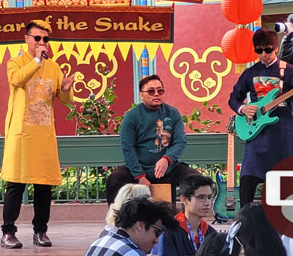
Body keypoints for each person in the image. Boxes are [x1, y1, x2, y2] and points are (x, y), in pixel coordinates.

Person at [0, 19, 75, 249]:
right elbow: (16, 80)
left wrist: (66, 89)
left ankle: (40, 231)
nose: (42, 42)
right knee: (16, 184)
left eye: (46, 39)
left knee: (44, 186)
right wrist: (35, 60)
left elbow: (64, 101)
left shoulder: (53, 67)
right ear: (27, 39)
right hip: (22, 134)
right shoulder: (15, 63)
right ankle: (8, 232)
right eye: (38, 38)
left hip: (44, 134)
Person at [228, 28, 293, 207]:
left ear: (275, 48)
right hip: (257, 132)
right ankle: (244, 218)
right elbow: (233, 98)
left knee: (284, 178)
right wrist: (243, 108)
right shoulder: (250, 73)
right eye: (259, 50)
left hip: (282, 131)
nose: (263, 54)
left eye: (267, 50)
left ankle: (283, 219)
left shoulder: (289, 71)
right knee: (248, 176)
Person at [106, 74, 198, 206]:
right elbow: (128, 148)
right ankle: (115, 222)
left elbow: (180, 141)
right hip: (139, 170)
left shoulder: (173, 113)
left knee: (195, 179)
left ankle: (188, 223)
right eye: (151, 91)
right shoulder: (131, 116)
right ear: (141, 95)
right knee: (115, 180)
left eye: (160, 90)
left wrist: (167, 159)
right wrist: (140, 176)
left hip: (168, 168)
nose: (156, 94)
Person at [84, 197, 178, 256]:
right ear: (139, 226)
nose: (157, 240)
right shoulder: (131, 253)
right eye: (157, 232)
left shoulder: (100, 242)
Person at [157, 174, 217, 256]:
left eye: (209, 197)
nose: (207, 203)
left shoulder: (211, 233)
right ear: (184, 200)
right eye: (201, 197)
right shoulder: (169, 233)